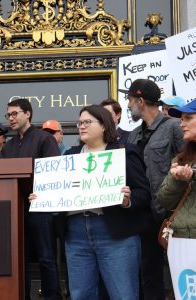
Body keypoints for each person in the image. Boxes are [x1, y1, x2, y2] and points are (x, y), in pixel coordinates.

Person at [51, 105, 151, 299]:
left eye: (87, 122)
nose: (81, 126)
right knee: (80, 295)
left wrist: (127, 201)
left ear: (104, 125)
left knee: (123, 294)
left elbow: (144, 193)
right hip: (76, 232)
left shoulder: (124, 152)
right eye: (79, 123)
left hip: (115, 232)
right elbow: (58, 192)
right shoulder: (69, 156)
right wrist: (44, 198)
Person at [0, 98, 61, 300]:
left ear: (27, 114)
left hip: (40, 207)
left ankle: (51, 296)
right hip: (16, 209)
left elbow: (54, 172)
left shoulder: (45, 139)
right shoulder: (8, 147)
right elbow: (2, 179)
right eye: (8, 115)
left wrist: (40, 190)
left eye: (14, 113)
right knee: (20, 259)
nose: (11, 118)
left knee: (46, 257)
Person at [120, 78, 184, 300]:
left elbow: (187, 163)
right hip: (145, 215)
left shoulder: (174, 127)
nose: (128, 105)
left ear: (140, 101)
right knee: (149, 274)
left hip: (173, 214)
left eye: (129, 100)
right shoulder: (134, 135)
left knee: (181, 271)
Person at [158, 99, 196, 238]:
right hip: (182, 240)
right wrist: (177, 180)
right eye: (181, 119)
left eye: (188, 118)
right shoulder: (181, 159)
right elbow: (164, 202)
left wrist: (192, 175)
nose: (182, 124)